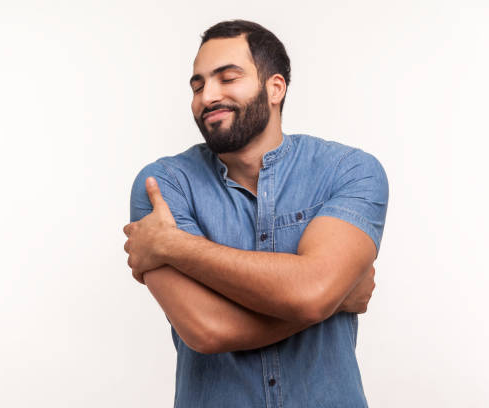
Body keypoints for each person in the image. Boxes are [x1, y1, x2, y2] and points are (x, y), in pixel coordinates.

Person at [123, 20, 388, 408]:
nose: (207, 96)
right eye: (197, 86)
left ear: (275, 88)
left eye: (227, 78)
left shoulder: (349, 171)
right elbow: (207, 329)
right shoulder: (163, 186)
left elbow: (311, 294)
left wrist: (174, 246)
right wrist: (333, 297)